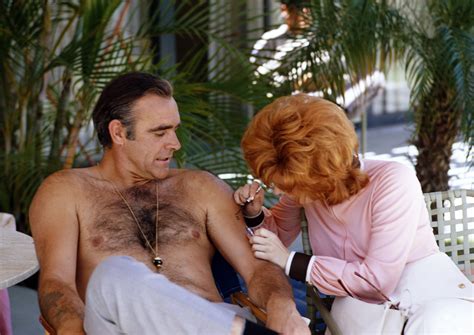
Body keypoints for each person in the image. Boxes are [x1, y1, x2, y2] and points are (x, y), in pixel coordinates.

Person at [29, 72, 309, 335]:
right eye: (160, 133)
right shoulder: (65, 191)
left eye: (175, 130)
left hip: (215, 322)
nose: (175, 143)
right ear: (119, 133)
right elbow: (57, 284)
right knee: (114, 274)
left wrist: (282, 305)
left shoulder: (200, 187)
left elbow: (257, 268)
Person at [233, 94, 474, 334]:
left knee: (436, 323)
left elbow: (376, 281)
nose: (275, 190)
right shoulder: (305, 185)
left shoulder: (393, 181)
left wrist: (291, 262)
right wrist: (254, 215)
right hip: (362, 312)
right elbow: (274, 244)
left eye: (284, 184)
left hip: (432, 300)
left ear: (323, 172)